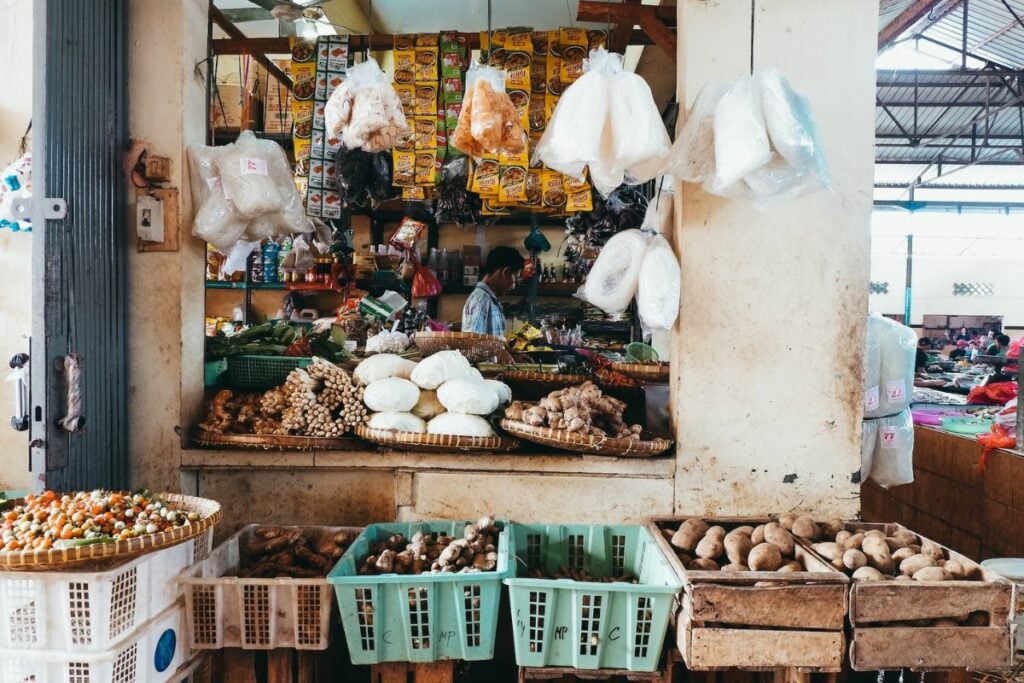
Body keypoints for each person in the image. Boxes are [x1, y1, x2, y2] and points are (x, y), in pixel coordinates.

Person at [461, 246, 525, 337]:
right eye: (515, 279)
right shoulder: (481, 300)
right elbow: (472, 343)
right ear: (506, 272)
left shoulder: (489, 300)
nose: (514, 286)